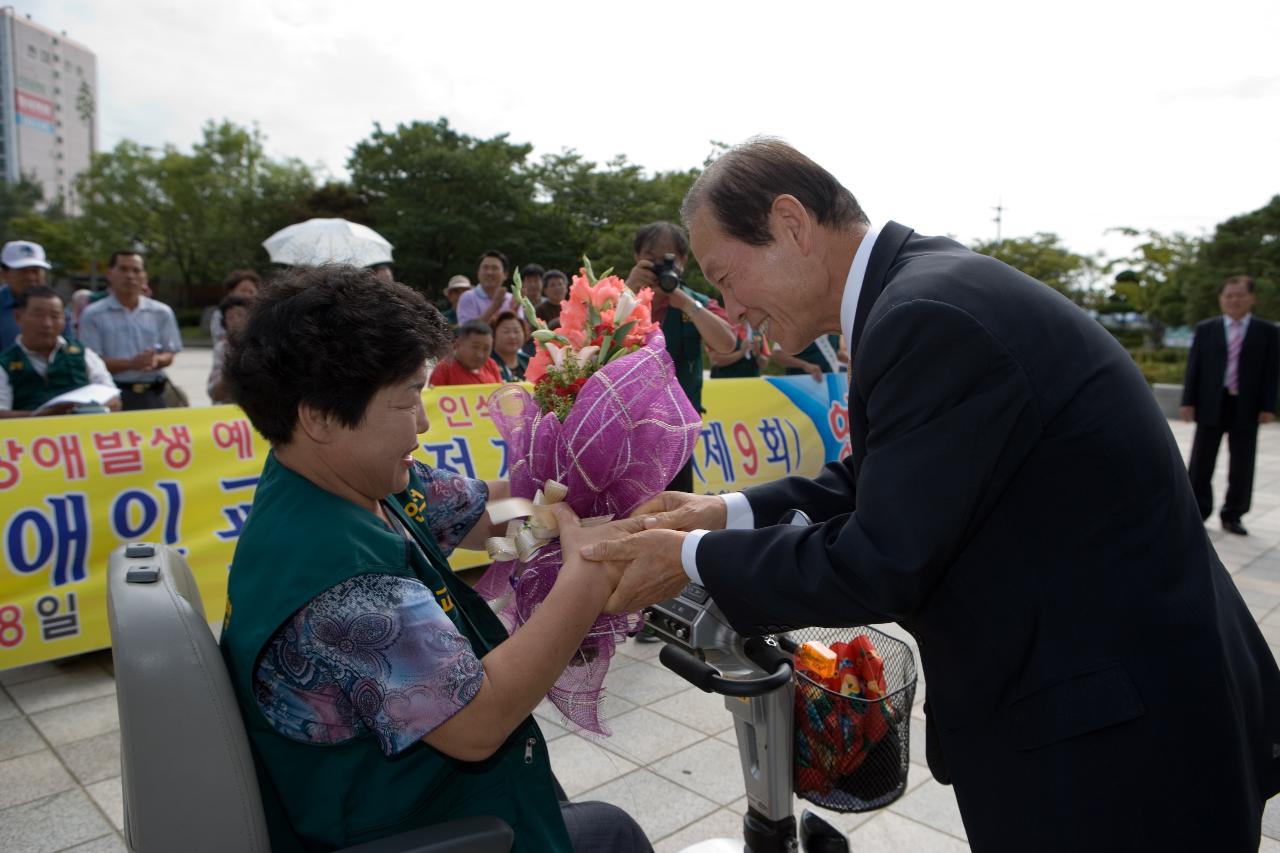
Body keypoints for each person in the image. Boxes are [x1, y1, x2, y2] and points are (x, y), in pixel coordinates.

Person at [582, 138, 1280, 851]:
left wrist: (694, 559)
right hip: (1117, 700)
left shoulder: (926, 315)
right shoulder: (924, 290)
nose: (729, 308)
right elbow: (881, 479)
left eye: (726, 277)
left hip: (1119, 749)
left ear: (791, 224)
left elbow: (883, 556)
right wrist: (726, 510)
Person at [218, 266, 650, 853]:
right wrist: (590, 574)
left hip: (425, 794)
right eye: (406, 401)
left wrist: (572, 490)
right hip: (413, 826)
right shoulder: (346, 589)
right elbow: (480, 721)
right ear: (318, 415)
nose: (424, 423)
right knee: (614, 832)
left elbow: (483, 511)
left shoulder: (345, 481)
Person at [624, 222, 737, 492]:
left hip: (676, 429)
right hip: (627, 426)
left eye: (668, 258)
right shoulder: (620, 299)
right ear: (636, 258)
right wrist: (628, 292)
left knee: (675, 503)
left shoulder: (696, 302)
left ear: (683, 261)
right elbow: (591, 339)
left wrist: (684, 301)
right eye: (651, 258)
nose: (660, 265)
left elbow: (727, 343)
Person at [1181, 275, 1279, 536]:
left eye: (1239, 295)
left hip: (1246, 405)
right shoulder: (1206, 329)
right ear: (1221, 299)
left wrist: (1268, 406)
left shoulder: (1267, 332)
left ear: (1252, 298)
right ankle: (1197, 511)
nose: (1234, 300)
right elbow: (1195, 368)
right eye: (1229, 296)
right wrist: (1188, 401)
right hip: (1211, 403)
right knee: (1201, 461)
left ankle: (1233, 514)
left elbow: (1272, 372)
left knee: (1242, 464)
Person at [78, 251, 183, 410]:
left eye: (136, 270)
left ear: (144, 276)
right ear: (110, 274)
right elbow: (91, 361)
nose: (130, 276)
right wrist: (130, 364)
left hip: (153, 394)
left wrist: (156, 360)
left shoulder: (162, 312)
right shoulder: (93, 314)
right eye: (123, 269)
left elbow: (170, 353)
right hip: (112, 397)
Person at [0, 286, 119, 417]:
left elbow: (113, 399)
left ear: (64, 319)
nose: (47, 324)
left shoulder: (82, 354)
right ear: (18, 316)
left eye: (55, 316)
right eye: (38, 315)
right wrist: (39, 417)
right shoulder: (5, 364)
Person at [0, 240, 52, 350]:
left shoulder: (55, 306)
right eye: (22, 271)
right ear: (4, 274)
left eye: (35, 271)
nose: (30, 278)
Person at [429, 320, 503, 386]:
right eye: (475, 347)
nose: (480, 355)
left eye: (486, 349)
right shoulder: (444, 370)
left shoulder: (491, 365)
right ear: (458, 344)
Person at [207, 295, 252, 404]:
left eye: (240, 315)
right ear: (224, 323)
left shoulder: (263, 345)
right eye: (230, 317)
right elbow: (214, 392)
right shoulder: (222, 348)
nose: (236, 321)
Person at [456, 250, 516, 327]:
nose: (489, 272)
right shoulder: (467, 297)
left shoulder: (512, 299)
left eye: (495, 268)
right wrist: (494, 307)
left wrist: (514, 309)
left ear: (505, 275)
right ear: (478, 273)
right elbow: (467, 331)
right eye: (485, 268)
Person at [209, 270, 261, 344]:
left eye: (251, 291)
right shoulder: (220, 314)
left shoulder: (261, 314)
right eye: (243, 290)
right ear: (230, 292)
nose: (247, 295)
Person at [491, 311, 529, 381]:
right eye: (506, 331)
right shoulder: (487, 363)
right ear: (493, 335)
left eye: (516, 331)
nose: (512, 336)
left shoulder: (528, 361)